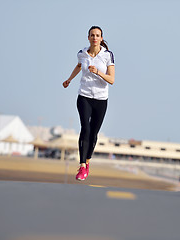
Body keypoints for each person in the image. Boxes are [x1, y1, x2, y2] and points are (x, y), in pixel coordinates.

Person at [63, 26, 115, 181]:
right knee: (85, 128)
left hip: (100, 99)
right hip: (84, 96)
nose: (94, 38)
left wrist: (98, 72)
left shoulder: (107, 55)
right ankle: (82, 166)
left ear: (101, 38)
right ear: (88, 37)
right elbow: (79, 66)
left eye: (97, 35)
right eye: (92, 35)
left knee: (93, 133)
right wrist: (69, 79)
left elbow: (111, 80)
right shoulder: (82, 54)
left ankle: (88, 161)